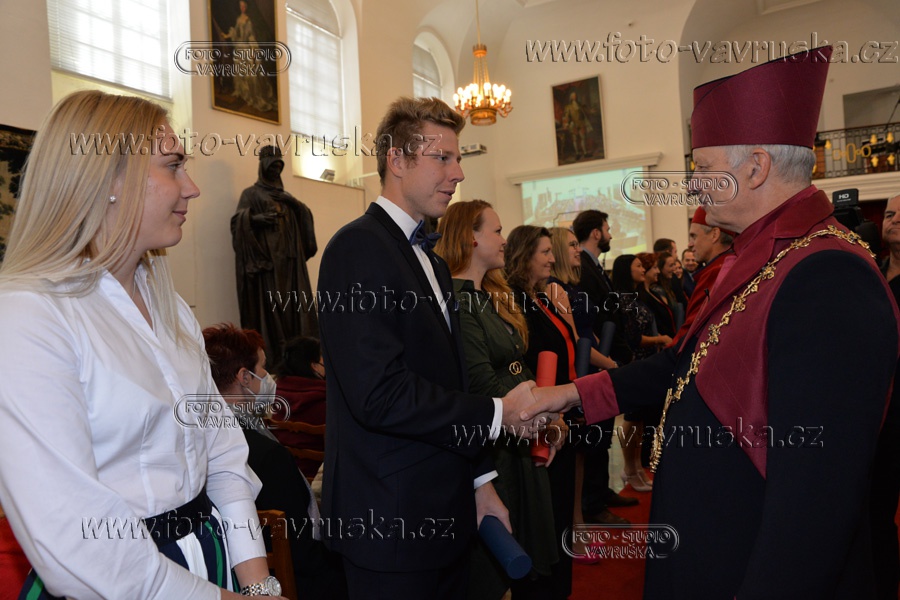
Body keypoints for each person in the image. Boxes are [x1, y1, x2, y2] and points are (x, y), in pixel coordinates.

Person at [521, 46, 900, 598]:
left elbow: (815, 506)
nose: (694, 185)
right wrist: (569, 395)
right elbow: (681, 365)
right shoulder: (759, 256)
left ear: (756, 167)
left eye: (701, 168)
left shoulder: (830, 276)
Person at [0, 91, 284, 599]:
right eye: (173, 166)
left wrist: (259, 584)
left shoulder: (168, 303)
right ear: (108, 181)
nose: (192, 188)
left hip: (208, 556)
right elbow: (75, 537)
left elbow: (223, 455)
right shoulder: (29, 314)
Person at [316, 97, 537, 599]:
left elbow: (448, 381)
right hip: (389, 521)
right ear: (397, 160)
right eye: (443, 158)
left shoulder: (433, 261)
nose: (458, 173)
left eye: (457, 159)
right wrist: (499, 412)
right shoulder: (356, 248)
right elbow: (379, 394)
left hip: (445, 512)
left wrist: (480, 482)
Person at [435, 200, 561, 600]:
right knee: (502, 562)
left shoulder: (488, 294)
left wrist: (549, 414)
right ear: (470, 238)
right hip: (499, 446)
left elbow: (517, 368)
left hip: (521, 434)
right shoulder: (458, 300)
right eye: (497, 230)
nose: (504, 240)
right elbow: (481, 384)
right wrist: (538, 417)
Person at [202, 324, 347, 600]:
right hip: (284, 581)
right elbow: (302, 551)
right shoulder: (265, 454)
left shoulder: (199, 440)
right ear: (244, 377)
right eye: (263, 368)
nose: (269, 378)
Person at [504, 225, 579, 599]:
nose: (552, 259)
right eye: (545, 252)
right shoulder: (515, 302)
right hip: (542, 423)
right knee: (546, 518)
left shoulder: (542, 298)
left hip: (561, 414)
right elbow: (525, 365)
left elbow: (570, 341)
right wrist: (552, 415)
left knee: (561, 511)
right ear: (524, 256)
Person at [232, 145, 318, 368]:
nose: (275, 171)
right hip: (268, 265)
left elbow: (305, 224)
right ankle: (275, 357)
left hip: (291, 264)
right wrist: (256, 219)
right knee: (273, 310)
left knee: (294, 310)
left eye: (279, 167)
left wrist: (295, 204)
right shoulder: (251, 194)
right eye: (272, 166)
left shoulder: (285, 196)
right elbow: (237, 222)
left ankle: (298, 359)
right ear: (263, 166)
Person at [610, 255, 671, 494]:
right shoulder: (622, 299)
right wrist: (659, 339)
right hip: (634, 362)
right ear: (626, 270)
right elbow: (632, 338)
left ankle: (636, 467)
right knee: (632, 418)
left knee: (640, 419)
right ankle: (629, 467)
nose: (642, 269)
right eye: (637, 266)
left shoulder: (635, 296)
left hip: (645, 361)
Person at [873, 193, 900, 600]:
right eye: (890, 214)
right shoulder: (869, 270)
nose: (894, 220)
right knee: (875, 508)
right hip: (879, 409)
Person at [673, 207, 734, 344]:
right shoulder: (726, 265)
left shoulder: (716, 272)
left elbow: (690, 333)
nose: (690, 244)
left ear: (714, 235)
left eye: (694, 236)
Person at [271, 336, 328, 479]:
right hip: (318, 480)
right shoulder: (326, 401)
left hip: (285, 476)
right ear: (314, 366)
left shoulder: (276, 396)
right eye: (323, 358)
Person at [219, 0, 276, 113]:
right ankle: (243, 93)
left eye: (244, 6)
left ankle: (252, 95)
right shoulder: (239, 19)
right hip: (239, 49)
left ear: (246, 7)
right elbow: (236, 32)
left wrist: (253, 50)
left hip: (246, 49)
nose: (242, 8)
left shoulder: (248, 20)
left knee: (251, 74)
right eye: (241, 6)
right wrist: (227, 35)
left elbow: (251, 37)